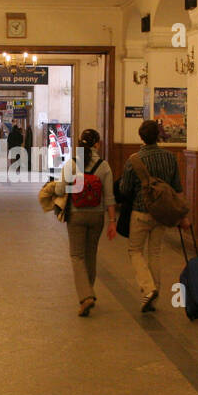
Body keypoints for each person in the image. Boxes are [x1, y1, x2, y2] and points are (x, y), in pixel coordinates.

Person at [117, 119, 189, 312]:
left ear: (141, 136)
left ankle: (148, 289)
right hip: (162, 214)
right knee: (155, 252)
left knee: (135, 250)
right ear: (158, 135)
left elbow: (124, 189)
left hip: (140, 212)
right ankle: (154, 296)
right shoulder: (170, 158)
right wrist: (182, 215)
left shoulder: (134, 160)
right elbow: (178, 189)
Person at [53, 129, 116, 316]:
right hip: (97, 217)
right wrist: (112, 220)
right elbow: (110, 197)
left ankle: (86, 295)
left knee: (77, 256)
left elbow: (59, 188)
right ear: (97, 144)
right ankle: (88, 292)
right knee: (90, 255)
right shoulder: (104, 166)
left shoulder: (72, 164)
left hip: (76, 215)